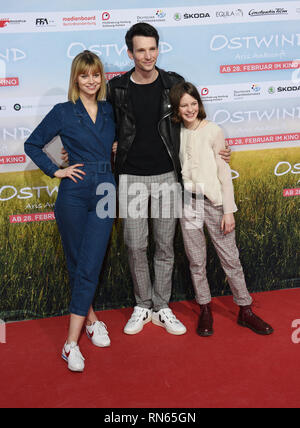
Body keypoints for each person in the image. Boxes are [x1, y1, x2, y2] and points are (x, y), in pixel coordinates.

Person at [106, 23, 233, 336]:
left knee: (164, 246)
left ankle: (162, 306)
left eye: (152, 48)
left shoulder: (173, 83)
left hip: (167, 177)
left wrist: (216, 147)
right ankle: (142, 305)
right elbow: (105, 126)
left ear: (158, 49)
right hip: (131, 177)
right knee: (135, 246)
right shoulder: (117, 87)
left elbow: (193, 120)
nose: (147, 55)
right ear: (130, 53)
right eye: (141, 50)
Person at [24, 50, 117, 372]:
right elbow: (32, 144)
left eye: (95, 75)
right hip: (74, 193)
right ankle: (85, 328)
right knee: (78, 260)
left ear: (101, 77)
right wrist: (56, 170)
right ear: (75, 79)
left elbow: (126, 140)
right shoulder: (63, 111)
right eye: (84, 75)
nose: (91, 81)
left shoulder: (110, 110)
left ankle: (71, 341)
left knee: (90, 261)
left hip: (106, 187)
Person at [169, 81, 274, 337]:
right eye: (184, 105)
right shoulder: (175, 133)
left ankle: (245, 310)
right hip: (188, 204)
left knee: (230, 258)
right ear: (177, 108)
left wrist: (229, 210)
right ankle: (204, 308)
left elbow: (224, 174)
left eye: (193, 103)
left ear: (199, 104)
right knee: (196, 260)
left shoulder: (214, 131)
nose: (190, 109)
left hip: (215, 203)